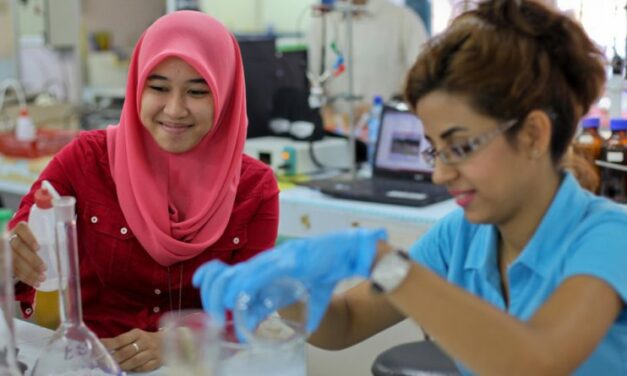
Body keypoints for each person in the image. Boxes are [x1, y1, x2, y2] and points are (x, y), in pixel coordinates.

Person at [194, 1, 627, 374]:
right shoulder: (461, 237)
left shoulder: (607, 238)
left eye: (459, 146)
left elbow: (537, 361)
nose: (440, 175)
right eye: (434, 151)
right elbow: (347, 322)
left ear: (533, 135)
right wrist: (288, 290)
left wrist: (383, 262)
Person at [8, 11, 279, 373]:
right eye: (158, 87)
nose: (174, 109)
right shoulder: (86, 159)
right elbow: (21, 241)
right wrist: (11, 262)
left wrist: (181, 340)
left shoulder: (255, 189)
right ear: (137, 85)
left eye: (198, 91)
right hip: (87, 362)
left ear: (226, 95)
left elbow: (249, 305)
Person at [308, 0, 429, 131]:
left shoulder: (404, 20)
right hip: (335, 134)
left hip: (386, 132)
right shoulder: (324, 23)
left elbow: (423, 83)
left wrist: (381, 110)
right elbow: (311, 79)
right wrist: (327, 113)